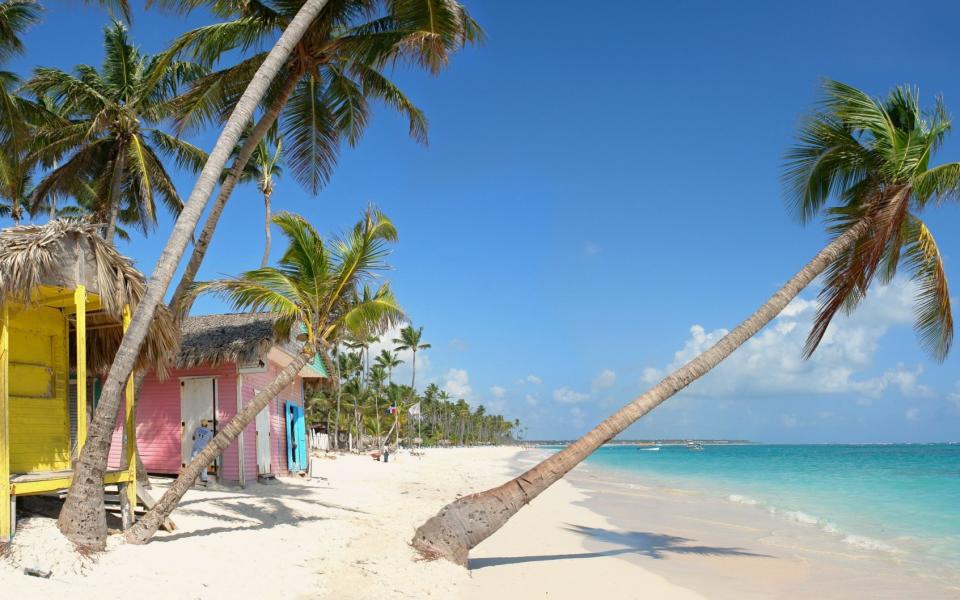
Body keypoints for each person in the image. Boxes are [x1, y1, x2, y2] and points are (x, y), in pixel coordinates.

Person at [192, 419, 214, 485]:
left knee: (194, 462)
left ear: (201, 424)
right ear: (207, 425)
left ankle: (193, 477)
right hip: (204, 449)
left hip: (196, 448)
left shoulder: (197, 429)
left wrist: (198, 439)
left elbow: (193, 438)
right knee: (204, 463)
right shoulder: (210, 432)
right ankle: (204, 479)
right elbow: (211, 442)